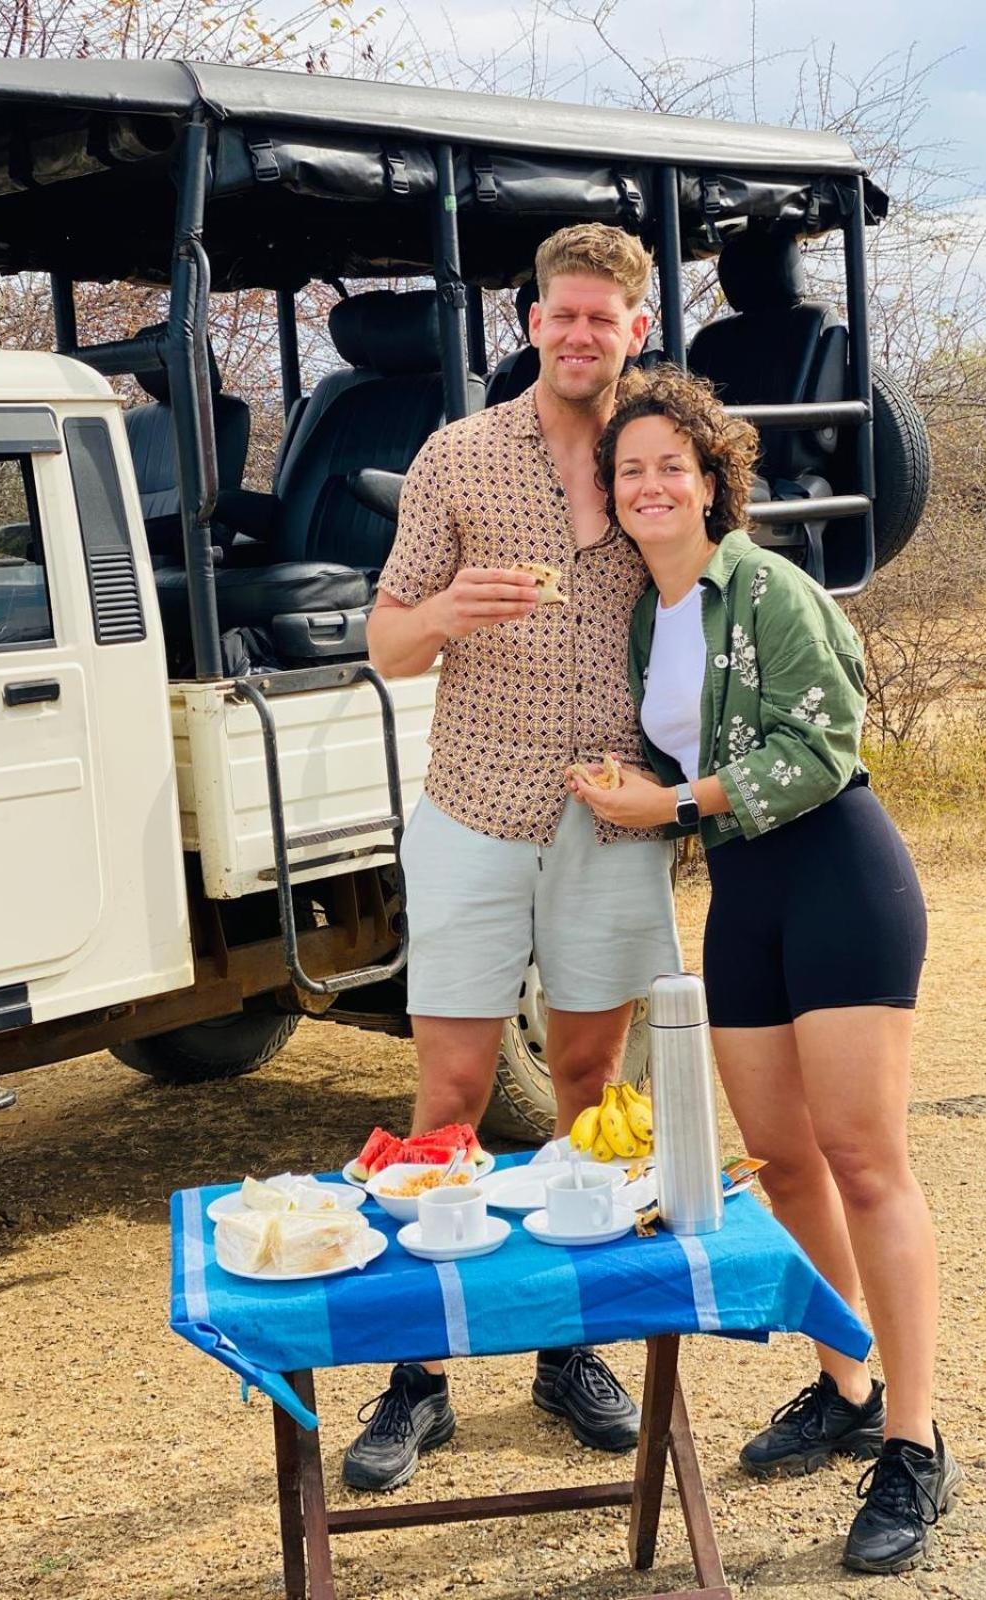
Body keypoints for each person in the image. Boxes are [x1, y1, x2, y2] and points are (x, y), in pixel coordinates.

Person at [570, 363, 960, 1574]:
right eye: (629, 469)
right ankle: (844, 1381)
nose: (649, 485)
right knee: (783, 1161)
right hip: (742, 891)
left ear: (709, 478)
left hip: (839, 873)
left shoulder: (772, 587)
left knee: (863, 1157)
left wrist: (668, 800)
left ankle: (915, 1437)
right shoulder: (644, 615)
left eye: (668, 466)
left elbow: (821, 737)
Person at [344, 224, 682, 1492]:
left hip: (611, 820)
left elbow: (716, 598)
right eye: (564, 315)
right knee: (454, 1093)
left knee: (596, 1088)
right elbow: (386, 641)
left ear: (636, 328)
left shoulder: (661, 459)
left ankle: (571, 1352)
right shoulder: (458, 456)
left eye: (606, 318)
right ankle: (416, 1379)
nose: (582, 335)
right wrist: (441, 614)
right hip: (474, 806)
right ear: (531, 321)